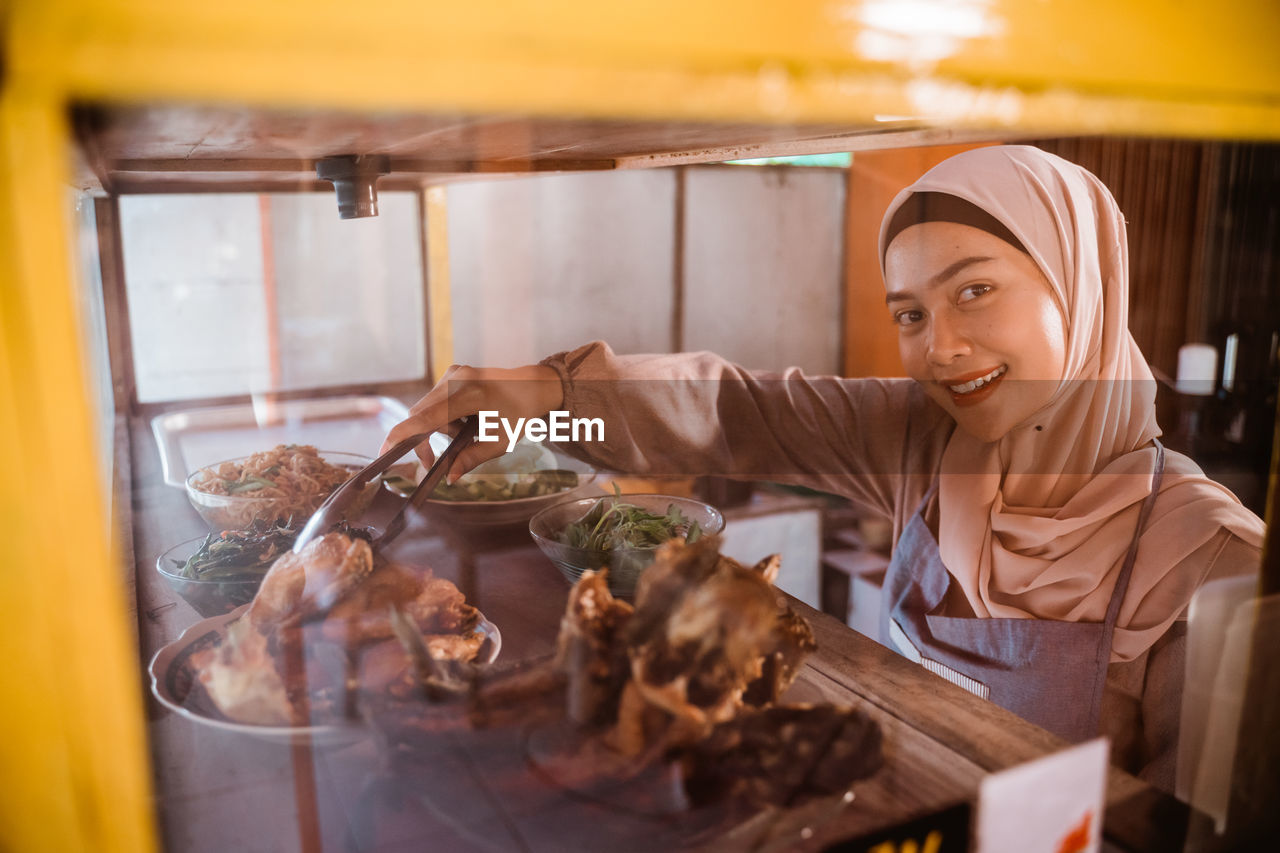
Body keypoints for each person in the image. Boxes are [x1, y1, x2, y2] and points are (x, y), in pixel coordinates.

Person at [383, 145, 1265, 790]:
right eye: (910, 312)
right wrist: (532, 395)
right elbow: (734, 413)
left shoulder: (1213, 562)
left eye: (975, 290)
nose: (942, 348)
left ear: (1082, 286)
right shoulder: (929, 443)